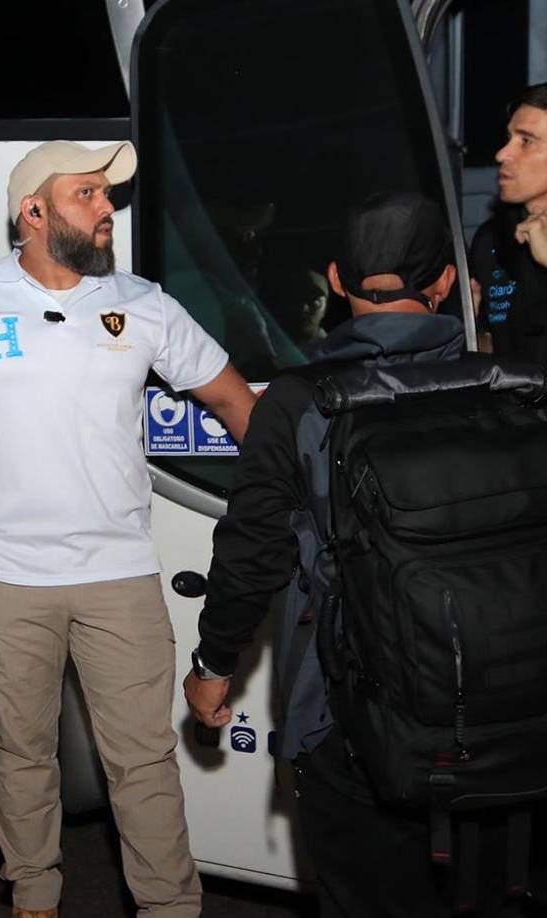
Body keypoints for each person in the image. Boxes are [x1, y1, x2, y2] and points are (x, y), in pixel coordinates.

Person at [0, 140, 256, 918]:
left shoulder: (144, 305)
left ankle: (169, 908)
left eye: (106, 195)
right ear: (35, 211)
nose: (106, 208)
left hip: (118, 574)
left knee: (143, 762)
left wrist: (286, 495)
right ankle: (34, 900)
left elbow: (233, 399)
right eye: (87, 194)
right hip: (8, 578)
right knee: (23, 756)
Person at [185, 192, 544, 917]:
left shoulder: (301, 401)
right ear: (445, 283)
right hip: (518, 720)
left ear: (338, 281)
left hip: (351, 726)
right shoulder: (518, 389)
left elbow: (252, 553)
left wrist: (213, 668)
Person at [472, 83, 547, 359]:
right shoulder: (491, 240)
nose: (502, 154)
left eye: (526, 141)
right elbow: (495, 351)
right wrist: (469, 335)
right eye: (508, 139)